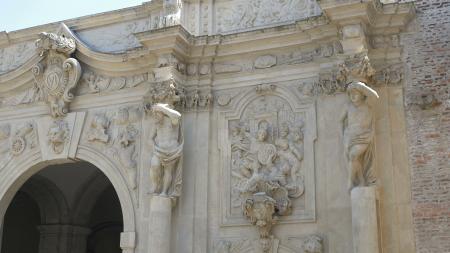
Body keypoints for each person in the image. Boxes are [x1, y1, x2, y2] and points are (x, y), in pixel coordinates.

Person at [340, 81, 379, 191]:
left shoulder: (368, 105)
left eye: (356, 93)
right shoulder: (348, 107)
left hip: (364, 136)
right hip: (350, 137)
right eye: (351, 93)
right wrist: (342, 135)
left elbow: (375, 97)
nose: (353, 96)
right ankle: (361, 180)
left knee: (353, 155)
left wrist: (361, 86)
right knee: (352, 159)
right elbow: (340, 121)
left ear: (362, 94)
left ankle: (350, 182)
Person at [149, 103, 183, 197]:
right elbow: (150, 138)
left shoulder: (172, 120)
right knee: (154, 165)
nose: (155, 115)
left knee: (168, 171)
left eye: (157, 113)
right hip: (159, 150)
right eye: (154, 113)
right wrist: (154, 147)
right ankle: (155, 186)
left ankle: (164, 191)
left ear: (163, 112)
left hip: (172, 150)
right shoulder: (156, 124)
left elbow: (177, 115)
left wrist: (162, 108)